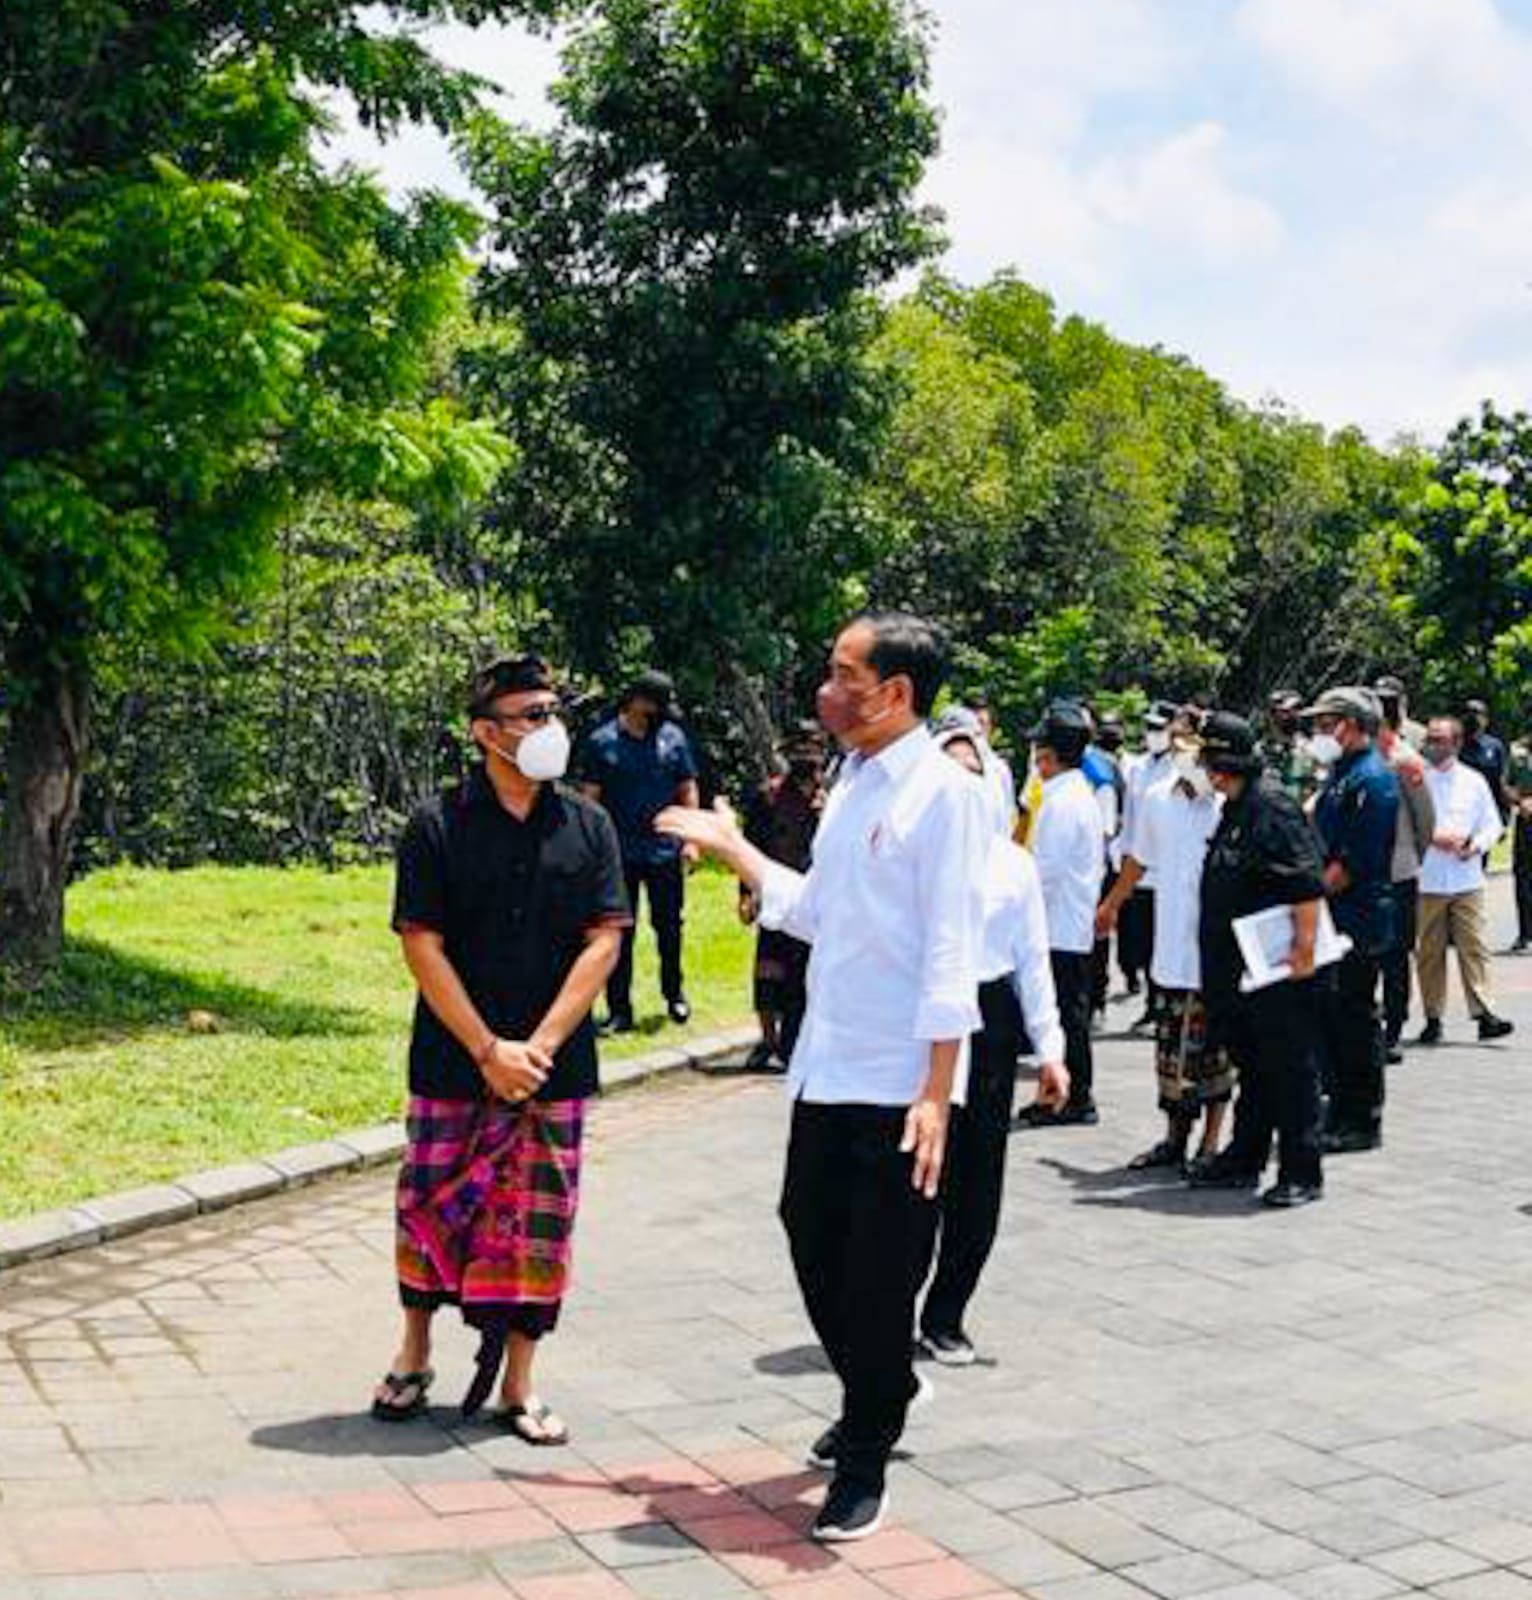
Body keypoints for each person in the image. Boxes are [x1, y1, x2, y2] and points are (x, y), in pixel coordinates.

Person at [657, 612, 986, 1544]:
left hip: (902, 1082)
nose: (824, 689)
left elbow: (952, 951)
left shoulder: (945, 795)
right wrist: (736, 851)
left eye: (843, 674)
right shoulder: (850, 782)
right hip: (828, 1064)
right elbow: (817, 912)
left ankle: (866, 1454)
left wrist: (935, 1090)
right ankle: (882, 1382)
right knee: (810, 1237)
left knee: (882, 1275)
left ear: (894, 694)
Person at [376, 654, 630, 1442]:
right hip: (456, 1060)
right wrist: (489, 1049)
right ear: (485, 733)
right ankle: (414, 1354)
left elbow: (606, 941)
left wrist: (540, 1046)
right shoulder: (437, 825)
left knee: (536, 1225)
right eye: (529, 715)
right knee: (428, 1210)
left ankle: (518, 1385)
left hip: (552, 1070)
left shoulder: (589, 825)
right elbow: (423, 946)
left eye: (553, 711)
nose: (547, 729)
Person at [916, 722, 1069, 1366]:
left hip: (990, 1013)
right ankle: (885, 1305)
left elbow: (1033, 958)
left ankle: (946, 1314)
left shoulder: (1014, 864)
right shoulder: (911, 852)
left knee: (978, 1176)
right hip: (922, 1017)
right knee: (917, 1170)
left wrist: (1052, 1048)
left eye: (971, 772)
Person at [1188, 713, 1328, 1208]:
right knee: (1257, 1067)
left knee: (1290, 1069)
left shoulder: (1271, 807)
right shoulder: (1235, 807)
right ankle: (1245, 1157)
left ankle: (1302, 1170)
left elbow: (1306, 882)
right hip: (1239, 970)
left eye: (1219, 765)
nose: (1212, 774)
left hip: (1278, 969)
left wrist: (1304, 949)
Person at [1097, 725, 1230, 1175]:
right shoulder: (1157, 800)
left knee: (1214, 1054)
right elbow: (1139, 857)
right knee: (1171, 1050)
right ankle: (1175, 1137)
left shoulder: (1228, 804)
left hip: (1215, 952)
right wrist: (1112, 903)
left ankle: (1211, 1143)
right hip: (1171, 948)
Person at [1304, 686, 1398, 1155]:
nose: (1320, 732)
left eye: (1328, 722)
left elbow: (1351, 862)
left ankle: (1361, 1118)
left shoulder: (1373, 779)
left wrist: (1305, 896)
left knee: (1354, 1020)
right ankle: (1337, 1106)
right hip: (1332, 918)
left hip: (1355, 918)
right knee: (1330, 1018)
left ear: (1354, 724)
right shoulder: (1340, 773)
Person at [579, 670, 701, 1031]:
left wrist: (691, 838)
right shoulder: (603, 743)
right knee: (619, 931)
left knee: (669, 927)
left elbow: (687, 787)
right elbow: (590, 799)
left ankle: (674, 994)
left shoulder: (672, 739)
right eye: (655, 706)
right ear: (636, 702)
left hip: (664, 849)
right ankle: (619, 1009)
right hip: (618, 854)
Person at [1014, 701, 1106, 1129]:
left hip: (1060, 925)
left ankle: (1076, 1097)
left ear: (1048, 754)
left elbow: (1043, 869)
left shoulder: (1066, 801)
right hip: (1060, 923)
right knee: (1062, 1012)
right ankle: (1056, 1095)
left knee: (1067, 1015)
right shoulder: (1061, 794)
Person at [1416, 717, 1515, 1045]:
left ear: (1456, 744)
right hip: (1428, 877)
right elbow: (1409, 824)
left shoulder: (1473, 781)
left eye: (1438, 739)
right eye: (1429, 738)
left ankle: (1484, 1013)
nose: (1431, 744)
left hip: (1466, 877)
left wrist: (1476, 845)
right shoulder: (1418, 780)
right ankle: (1433, 1016)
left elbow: (1493, 824)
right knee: (1429, 952)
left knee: (1474, 947)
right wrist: (1435, 837)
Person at [740, 725, 825, 1071]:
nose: (805, 755)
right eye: (798, 747)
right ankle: (768, 1039)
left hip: (816, 898)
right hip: (774, 891)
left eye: (812, 747)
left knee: (804, 975)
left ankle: (797, 1042)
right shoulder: (769, 797)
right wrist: (747, 891)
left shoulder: (836, 796)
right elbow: (751, 846)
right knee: (768, 971)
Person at [1375, 685, 1435, 1061]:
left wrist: (1412, 859)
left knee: (1396, 955)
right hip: (1362, 874)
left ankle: (1394, 1026)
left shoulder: (1406, 760)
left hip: (1398, 872)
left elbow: (1425, 820)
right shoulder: (1359, 757)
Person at [1117, 701, 1178, 1021]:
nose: (1153, 734)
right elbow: (1130, 819)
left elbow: (1205, 794)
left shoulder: (1184, 765)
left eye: (1160, 728)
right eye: (1150, 728)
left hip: (1167, 870)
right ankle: (1149, 999)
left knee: (1162, 938)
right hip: (1137, 868)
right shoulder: (1136, 767)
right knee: (1138, 940)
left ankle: (1161, 1001)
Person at [962, 691, 1018, 833]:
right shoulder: (950, 765)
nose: (977, 730)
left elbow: (1009, 816)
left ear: (991, 727)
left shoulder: (1000, 770)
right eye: (972, 723)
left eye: (982, 723)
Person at [1459, 699, 1510, 830]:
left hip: (1484, 812)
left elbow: (1500, 783)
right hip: (1457, 811)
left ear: (1486, 719)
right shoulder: (1453, 744)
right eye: (1469, 713)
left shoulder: (1495, 747)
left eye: (1477, 714)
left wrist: (1503, 817)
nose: (1473, 718)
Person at [1262, 689, 1318, 806]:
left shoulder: (1313, 749)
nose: (1290, 715)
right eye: (1283, 711)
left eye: (1296, 709)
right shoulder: (1261, 751)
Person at [1509, 729, 1532, 953]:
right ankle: (1525, 933)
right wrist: (1520, 801)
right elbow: (1505, 784)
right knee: (1523, 877)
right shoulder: (1518, 755)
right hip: (1526, 823)